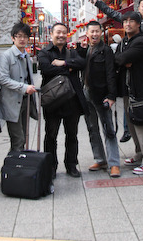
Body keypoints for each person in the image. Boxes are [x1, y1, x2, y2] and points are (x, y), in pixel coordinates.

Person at [38, 22, 88, 178]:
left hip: (71, 101)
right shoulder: (44, 52)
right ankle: (51, 166)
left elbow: (82, 63)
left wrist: (64, 63)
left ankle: (71, 165)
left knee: (72, 135)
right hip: (52, 102)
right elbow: (46, 68)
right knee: (50, 136)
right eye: (58, 32)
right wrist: (69, 69)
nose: (61, 35)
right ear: (51, 34)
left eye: (63, 33)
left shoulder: (71, 53)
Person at [115, 12, 143, 174]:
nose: (127, 24)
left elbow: (120, 59)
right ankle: (140, 153)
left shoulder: (140, 41)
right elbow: (118, 59)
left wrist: (123, 60)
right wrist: (123, 60)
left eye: (131, 21)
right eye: (125, 21)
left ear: (138, 24)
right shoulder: (125, 41)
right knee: (132, 124)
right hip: (128, 90)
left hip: (142, 91)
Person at [77, 21, 121, 177]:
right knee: (92, 128)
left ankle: (114, 163)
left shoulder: (106, 50)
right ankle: (100, 158)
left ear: (101, 32)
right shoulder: (85, 49)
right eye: (91, 32)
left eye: (97, 31)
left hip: (101, 95)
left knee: (108, 129)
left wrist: (111, 96)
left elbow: (111, 73)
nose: (94, 34)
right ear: (87, 34)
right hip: (86, 93)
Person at [0, 22, 37, 152]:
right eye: (19, 36)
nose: (22, 39)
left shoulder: (27, 56)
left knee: (23, 136)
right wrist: (24, 87)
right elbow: (3, 79)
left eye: (25, 36)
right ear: (13, 38)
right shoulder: (6, 56)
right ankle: (13, 168)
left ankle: (19, 164)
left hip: (25, 102)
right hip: (11, 103)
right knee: (17, 138)